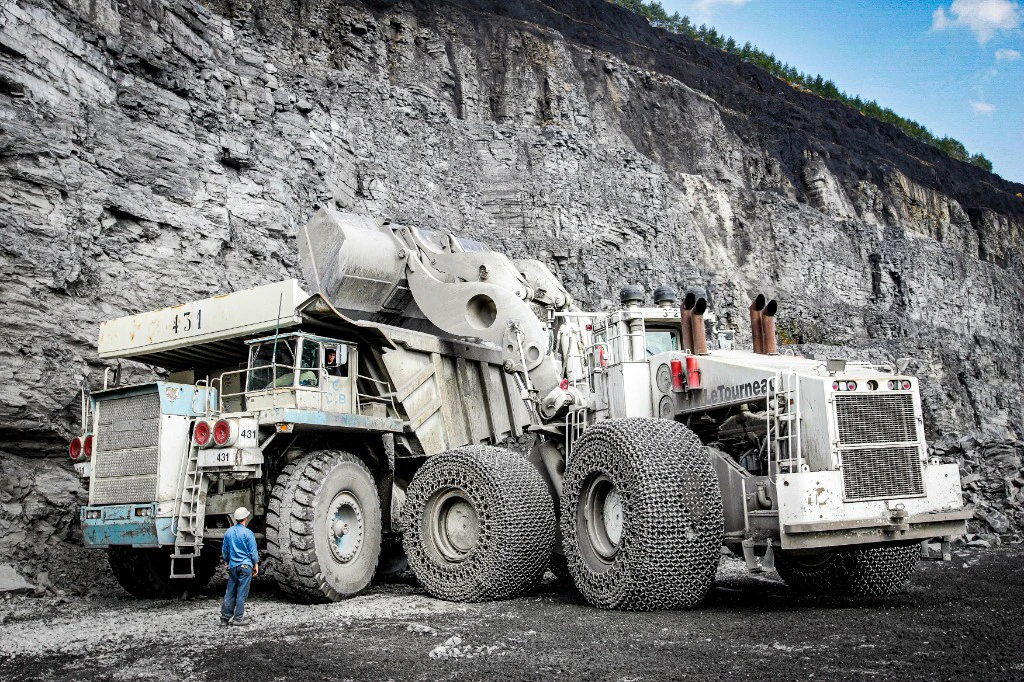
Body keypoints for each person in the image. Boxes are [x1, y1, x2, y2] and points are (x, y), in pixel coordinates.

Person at [220, 507, 259, 626]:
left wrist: (227, 562)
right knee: (241, 593)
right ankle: (238, 619)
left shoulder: (229, 532)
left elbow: (225, 550)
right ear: (246, 518)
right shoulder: (248, 533)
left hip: (233, 566)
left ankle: (224, 618)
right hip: (246, 566)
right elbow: (253, 551)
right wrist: (255, 564)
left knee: (230, 591)